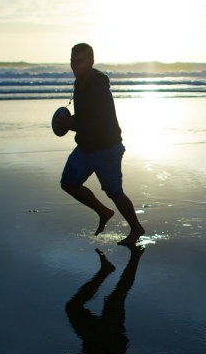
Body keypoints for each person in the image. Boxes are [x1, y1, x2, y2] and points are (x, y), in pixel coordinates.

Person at [55, 43, 145, 245]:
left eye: (80, 61)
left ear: (91, 62)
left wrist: (72, 124)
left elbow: (103, 127)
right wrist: (69, 121)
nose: (74, 66)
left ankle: (137, 229)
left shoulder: (98, 88)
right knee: (68, 183)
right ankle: (104, 212)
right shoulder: (80, 83)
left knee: (114, 192)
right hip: (86, 147)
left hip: (106, 149)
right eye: (72, 61)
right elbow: (87, 117)